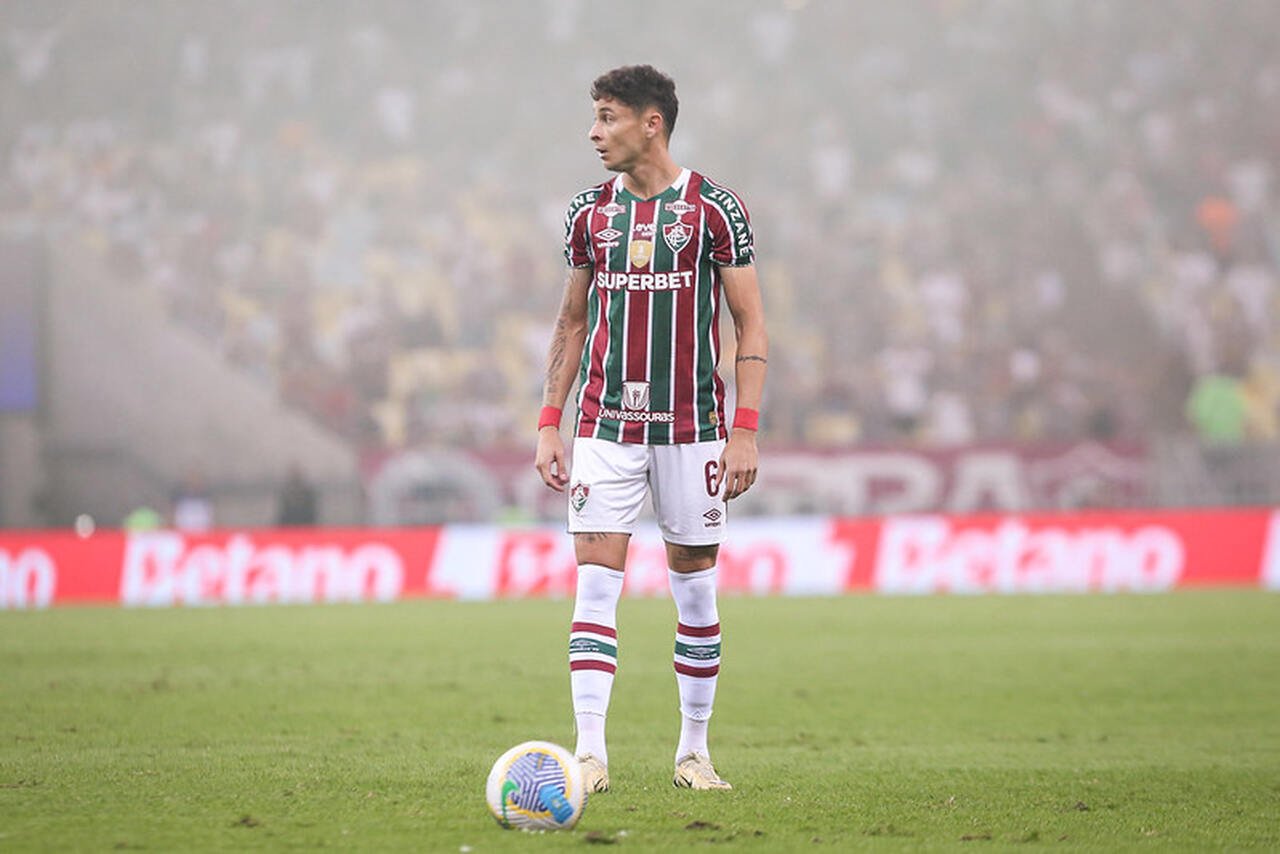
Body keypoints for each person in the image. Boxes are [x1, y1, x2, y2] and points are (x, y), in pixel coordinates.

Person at [534, 65, 768, 793]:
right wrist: (550, 422)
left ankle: (692, 754)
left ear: (650, 123)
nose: (594, 132)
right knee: (594, 588)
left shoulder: (713, 208)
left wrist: (746, 430)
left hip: (695, 427)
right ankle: (590, 754)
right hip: (605, 425)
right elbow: (572, 323)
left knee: (695, 593)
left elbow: (750, 322)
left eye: (607, 117)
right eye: (596, 118)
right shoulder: (588, 214)